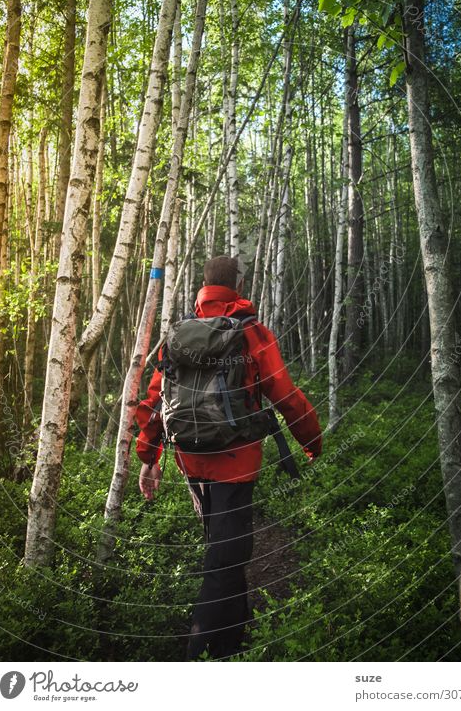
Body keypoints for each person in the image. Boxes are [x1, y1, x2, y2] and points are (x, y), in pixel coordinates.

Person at [134, 255, 322, 660]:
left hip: (190, 458)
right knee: (224, 557)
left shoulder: (179, 334)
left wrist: (149, 456)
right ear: (237, 286)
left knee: (225, 549)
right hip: (236, 463)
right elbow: (286, 395)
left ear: (204, 287)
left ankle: (234, 638)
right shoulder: (251, 332)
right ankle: (197, 654)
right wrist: (312, 439)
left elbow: (154, 400)